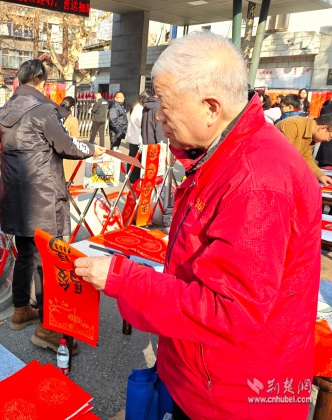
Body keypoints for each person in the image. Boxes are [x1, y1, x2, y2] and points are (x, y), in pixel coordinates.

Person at [73, 32, 320, 419]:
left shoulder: (257, 180)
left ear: (211, 108)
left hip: (232, 396)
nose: (158, 116)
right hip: (205, 377)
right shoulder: (224, 153)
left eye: (164, 103)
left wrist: (122, 278)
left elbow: (228, 312)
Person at [0, 59, 104, 352]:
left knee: (26, 253)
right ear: (42, 80)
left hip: (15, 196)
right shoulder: (44, 110)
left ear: (19, 80)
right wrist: (92, 149)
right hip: (43, 197)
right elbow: (68, 146)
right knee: (48, 261)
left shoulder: (4, 111)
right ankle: (49, 328)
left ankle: (20, 310)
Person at [276, 113, 332, 185]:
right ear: (322, 128)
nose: (328, 140)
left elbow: (306, 157)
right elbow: (284, 157)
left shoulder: (312, 134)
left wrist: (321, 175)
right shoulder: (292, 125)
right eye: (330, 136)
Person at [126, 89, 151, 181]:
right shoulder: (139, 108)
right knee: (135, 160)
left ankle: (132, 177)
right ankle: (133, 179)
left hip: (134, 138)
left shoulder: (137, 106)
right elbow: (141, 122)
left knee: (133, 158)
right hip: (137, 139)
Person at [60, 96, 81, 181]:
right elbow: (75, 137)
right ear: (72, 108)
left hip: (54, 152)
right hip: (67, 152)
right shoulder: (72, 120)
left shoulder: (55, 117)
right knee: (66, 179)